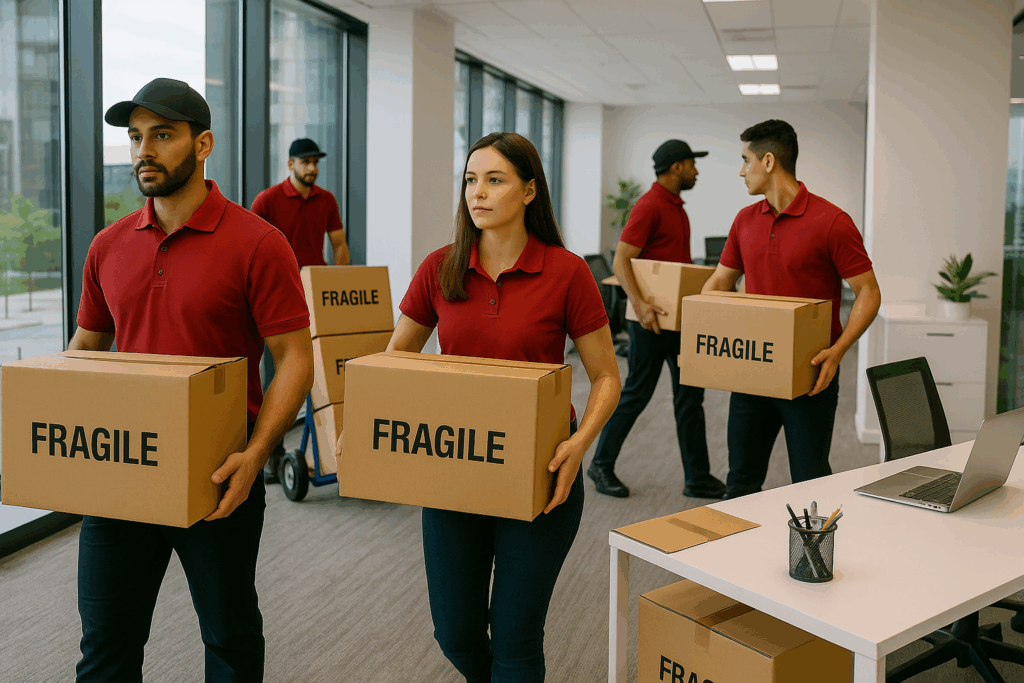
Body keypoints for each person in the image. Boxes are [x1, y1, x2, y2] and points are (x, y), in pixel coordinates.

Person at [339, 132, 620, 682]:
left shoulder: (566, 272)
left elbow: (607, 376)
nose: (478, 192)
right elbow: (395, 362)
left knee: (515, 639)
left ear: (530, 191)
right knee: (456, 633)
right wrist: (360, 424)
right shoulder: (440, 268)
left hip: (542, 475)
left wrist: (578, 444)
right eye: (471, 180)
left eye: (495, 179)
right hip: (454, 474)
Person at [71, 78, 314, 682]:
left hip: (218, 472)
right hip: (123, 472)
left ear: (202, 144)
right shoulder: (107, 247)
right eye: (135, 138)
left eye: (162, 135)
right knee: (105, 646)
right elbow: (86, 348)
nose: (144, 151)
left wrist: (258, 453)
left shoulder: (258, 243)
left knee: (229, 637)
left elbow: (295, 358)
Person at [702, 119, 881, 499]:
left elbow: (868, 292)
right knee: (741, 482)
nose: (741, 170)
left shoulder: (832, 221)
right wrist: (711, 319)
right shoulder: (744, 221)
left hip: (810, 375)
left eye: (745, 159)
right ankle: (738, 559)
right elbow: (719, 282)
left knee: (810, 482)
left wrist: (839, 350)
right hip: (753, 373)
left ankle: (811, 560)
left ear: (768, 161)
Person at [587, 139, 726, 500]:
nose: (696, 171)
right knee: (636, 393)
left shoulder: (676, 207)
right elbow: (621, 261)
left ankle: (697, 476)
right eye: (692, 165)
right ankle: (600, 464)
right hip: (649, 321)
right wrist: (642, 304)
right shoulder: (649, 206)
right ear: (677, 166)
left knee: (689, 397)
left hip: (677, 321)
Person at [251, 138, 349, 482]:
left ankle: (327, 449)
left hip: (313, 295)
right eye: (305, 162)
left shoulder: (326, 200)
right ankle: (271, 456)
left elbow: (339, 244)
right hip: (275, 299)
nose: (312, 168)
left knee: (318, 375)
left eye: (315, 162)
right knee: (275, 378)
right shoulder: (267, 200)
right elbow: (251, 249)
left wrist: (335, 284)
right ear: (290, 164)